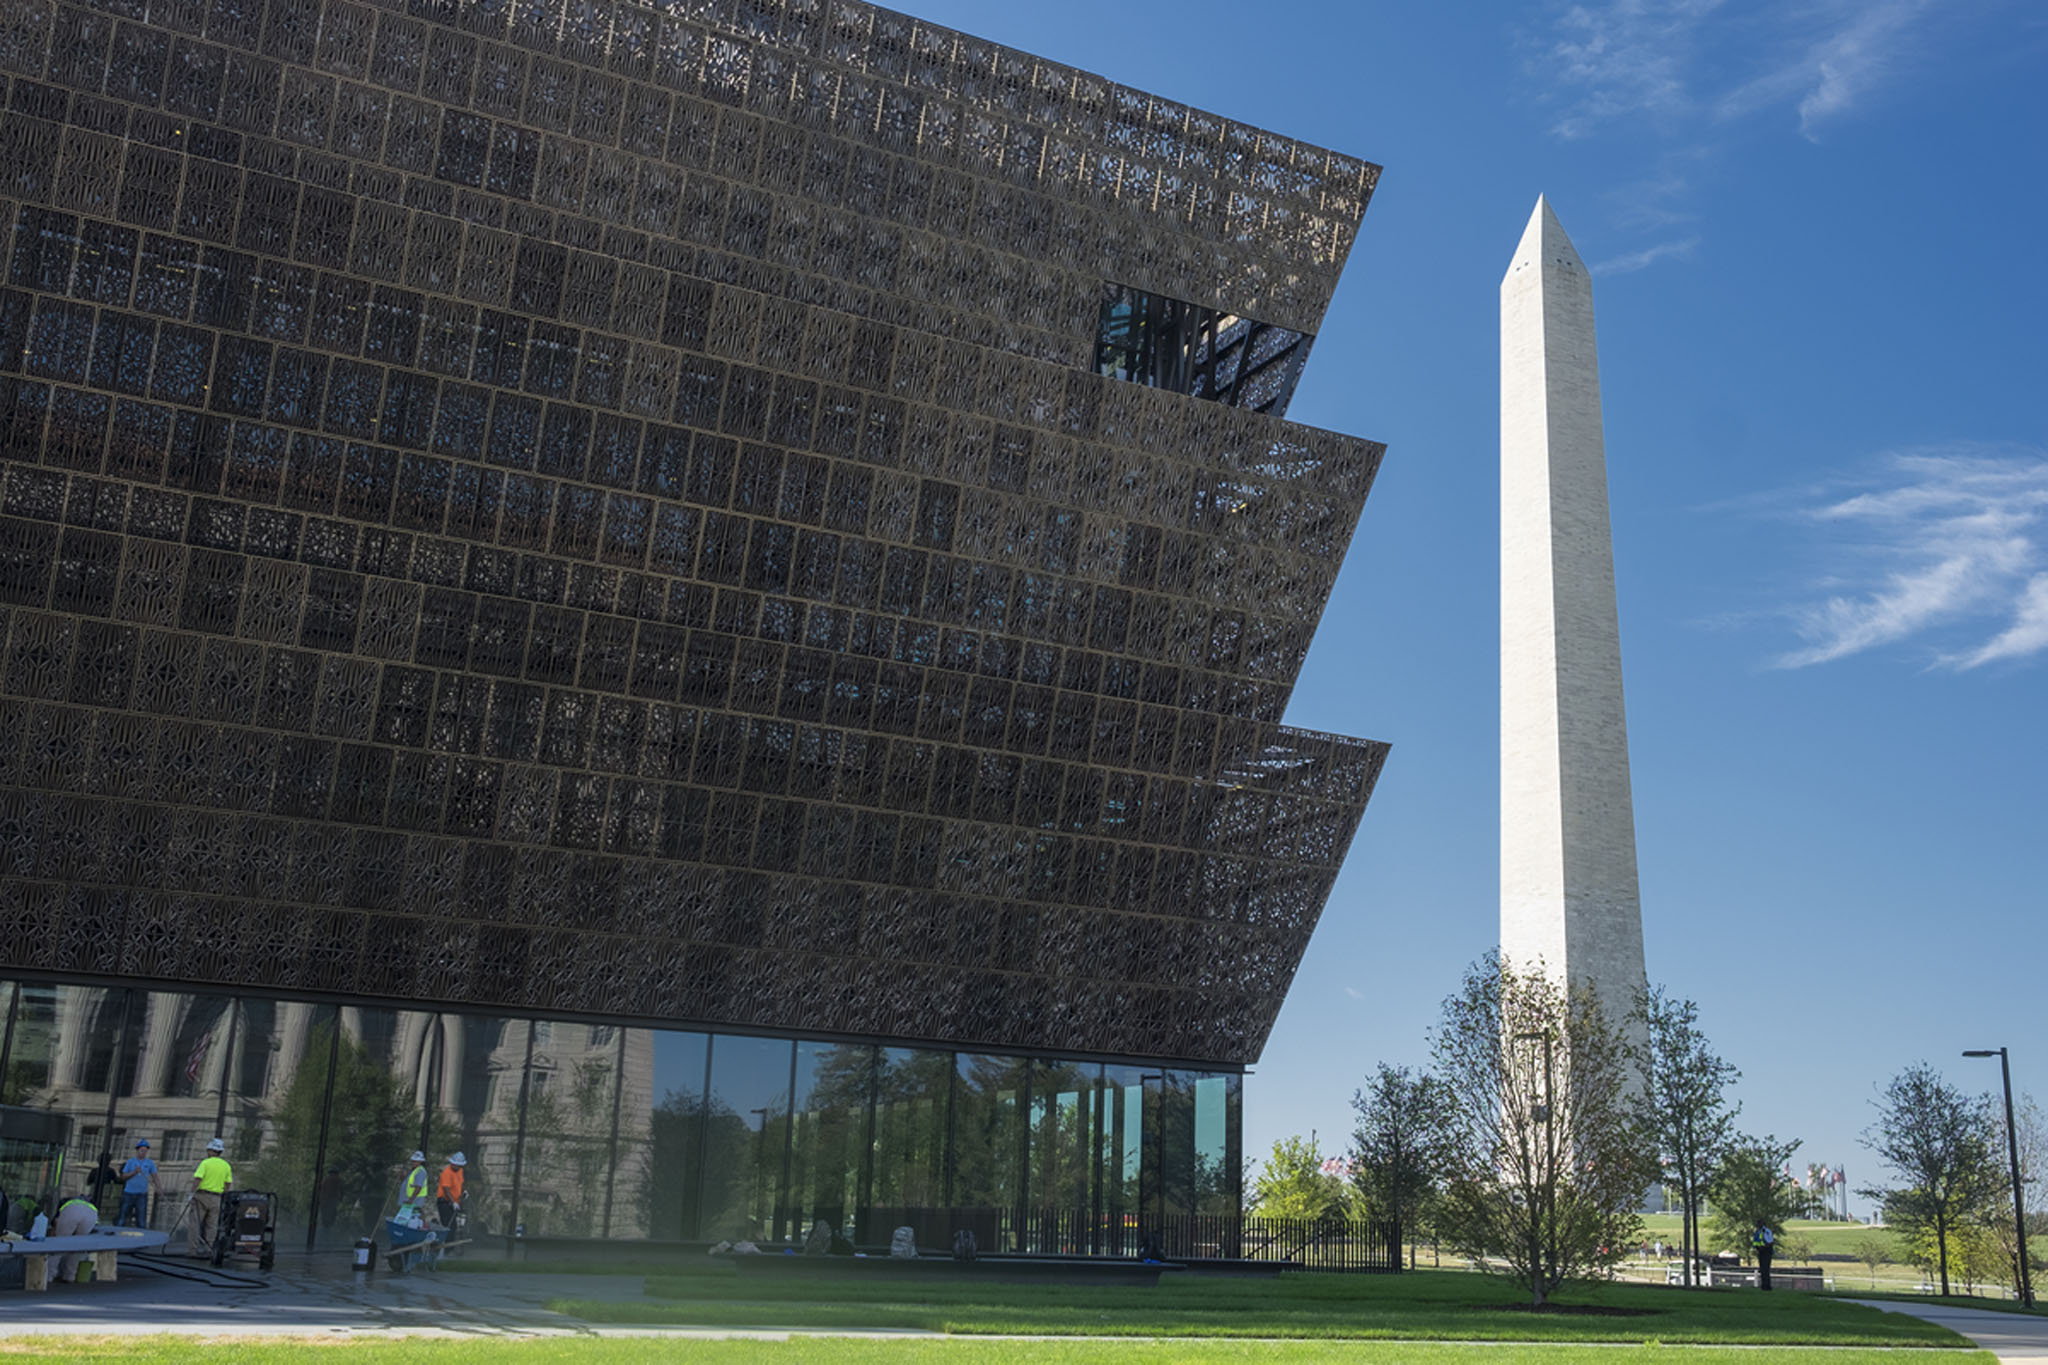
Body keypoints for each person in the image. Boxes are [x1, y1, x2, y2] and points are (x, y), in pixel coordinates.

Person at [189, 1137, 233, 1258]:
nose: (207, 1152)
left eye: (209, 1150)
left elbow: (198, 1179)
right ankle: (209, 1250)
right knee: (212, 1226)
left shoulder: (205, 1163)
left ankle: (193, 1251)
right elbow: (228, 1183)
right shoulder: (226, 1166)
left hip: (201, 1196)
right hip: (216, 1198)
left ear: (212, 1151)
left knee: (195, 1224)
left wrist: (191, 1193)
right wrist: (223, 1193)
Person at [51, 1187, 100, 1284]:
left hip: (72, 1212)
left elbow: (55, 1222)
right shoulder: (89, 1204)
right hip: (91, 1214)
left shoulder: (65, 1203)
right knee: (78, 1246)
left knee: (58, 1244)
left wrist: (54, 1232)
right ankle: (69, 1276)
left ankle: (49, 1275)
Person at [118, 1139, 158, 1228]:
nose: (143, 1153)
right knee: (123, 1217)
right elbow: (124, 1176)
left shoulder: (150, 1163)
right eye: (142, 1150)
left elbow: (155, 1176)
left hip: (142, 1194)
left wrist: (159, 1188)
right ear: (137, 1150)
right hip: (129, 1193)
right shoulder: (130, 1162)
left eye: (145, 1151)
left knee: (141, 1219)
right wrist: (134, 1172)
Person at [435, 1152, 466, 1233]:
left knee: (453, 1226)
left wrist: (463, 1191)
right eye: (454, 1164)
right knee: (448, 1226)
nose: (455, 1166)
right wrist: (453, 1202)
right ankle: (447, 1244)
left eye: (458, 1165)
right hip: (445, 1202)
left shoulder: (460, 1171)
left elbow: (460, 1183)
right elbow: (446, 1190)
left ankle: (450, 1244)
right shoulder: (446, 1173)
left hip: (454, 1203)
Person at [398, 1152, 431, 1219]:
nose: (413, 1163)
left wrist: (411, 1199)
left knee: (411, 1218)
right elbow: (408, 1183)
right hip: (407, 1200)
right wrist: (402, 1177)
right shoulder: (414, 1171)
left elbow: (418, 1187)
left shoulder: (420, 1171)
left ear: (420, 1162)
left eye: (415, 1161)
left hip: (414, 1201)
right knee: (404, 1219)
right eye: (412, 1161)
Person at [1752, 1223, 1776, 1291]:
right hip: (1762, 1251)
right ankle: (1764, 1285)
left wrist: (1762, 1247)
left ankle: (1767, 1286)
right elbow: (1755, 1242)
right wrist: (1759, 1247)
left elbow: (1770, 1242)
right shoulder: (1758, 1232)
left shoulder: (1766, 1231)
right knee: (1763, 1269)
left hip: (1766, 1252)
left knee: (1765, 1269)